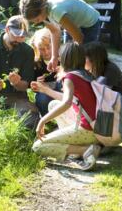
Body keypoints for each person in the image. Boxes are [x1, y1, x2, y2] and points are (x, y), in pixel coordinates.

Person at [31, 42, 101, 171]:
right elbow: (68, 100)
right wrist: (45, 89)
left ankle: (85, 150)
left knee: (37, 147)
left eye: (59, 57)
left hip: (88, 130)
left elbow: (67, 102)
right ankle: (77, 147)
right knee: (53, 104)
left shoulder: (70, 77)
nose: (57, 59)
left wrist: (42, 121)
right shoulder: (86, 74)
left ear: (63, 59)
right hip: (96, 127)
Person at [19, 0, 101, 72]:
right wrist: (54, 58)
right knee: (66, 56)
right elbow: (55, 31)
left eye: (37, 19)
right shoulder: (44, 9)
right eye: (33, 21)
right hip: (73, 23)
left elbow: (79, 38)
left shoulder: (56, 10)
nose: (36, 23)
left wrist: (73, 57)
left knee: (85, 57)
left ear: (42, 9)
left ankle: (89, 78)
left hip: (89, 23)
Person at [84, 42, 122, 126]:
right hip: (116, 112)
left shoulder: (110, 69)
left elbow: (101, 94)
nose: (82, 61)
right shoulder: (95, 70)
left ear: (93, 58)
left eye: (84, 58)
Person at [30, 28, 59, 117]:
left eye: (48, 47)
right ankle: (47, 120)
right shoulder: (35, 61)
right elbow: (31, 85)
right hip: (45, 91)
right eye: (41, 49)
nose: (46, 52)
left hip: (62, 87)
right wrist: (37, 82)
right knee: (42, 99)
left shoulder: (62, 56)